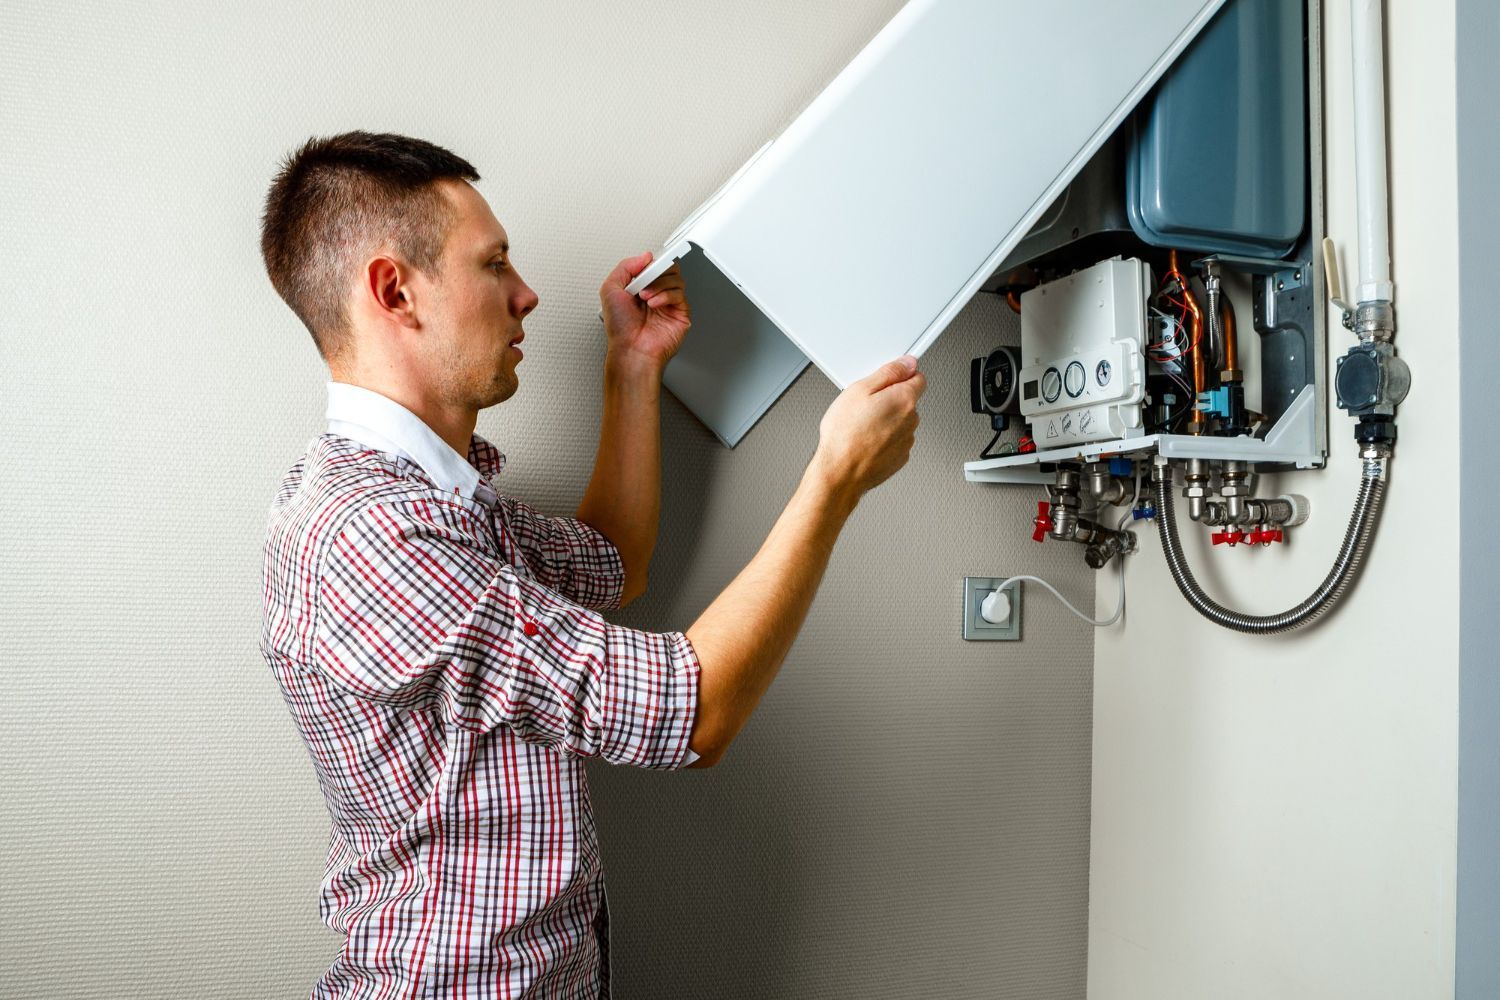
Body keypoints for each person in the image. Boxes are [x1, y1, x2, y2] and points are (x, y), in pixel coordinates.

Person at [259, 131, 924, 999]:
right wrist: (836, 478)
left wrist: (634, 365)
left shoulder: (435, 501)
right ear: (395, 290)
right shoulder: (373, 535)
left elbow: (611, 563)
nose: (526, 294)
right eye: (493, 263)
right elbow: (693, 714)